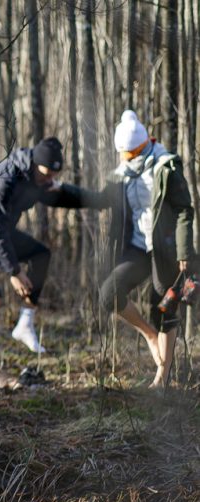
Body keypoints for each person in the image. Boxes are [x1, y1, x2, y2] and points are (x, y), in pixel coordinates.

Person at [0, 137, 88, 388]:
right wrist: (15, 270)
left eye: (54, 173)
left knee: (41, 254)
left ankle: (25, 321)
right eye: (47, 173)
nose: (50, 178)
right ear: (36, 164)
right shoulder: (7, 177)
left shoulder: (39, 178)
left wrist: (103, 199)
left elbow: (64, 195)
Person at [87, 110, 194, 387]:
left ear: (142, 146)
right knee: (109, 293)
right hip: (136, 247)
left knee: (164, 306)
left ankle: (163, 374)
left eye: (131, 153)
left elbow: (184, 210)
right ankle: (149, 335)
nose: (128, 159)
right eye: (124, 155)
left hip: (164, 247)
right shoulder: (121, 174)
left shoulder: (166, 166)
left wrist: (183, 251)